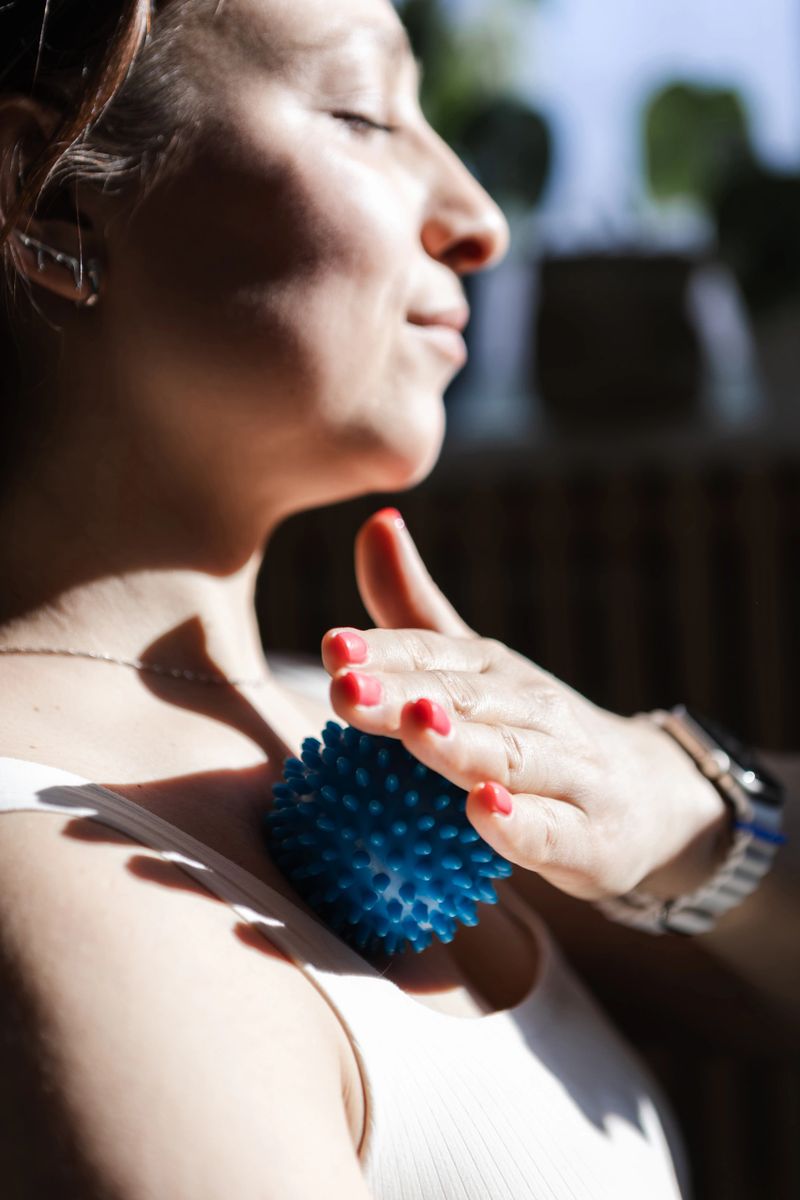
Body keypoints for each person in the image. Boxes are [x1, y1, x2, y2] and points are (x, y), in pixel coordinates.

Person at [0, 2, 794, 1197]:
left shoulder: (358, 721)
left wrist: (669, 797)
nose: (479, 220)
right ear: (49, 199)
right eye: (364, 111)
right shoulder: (49, 876)